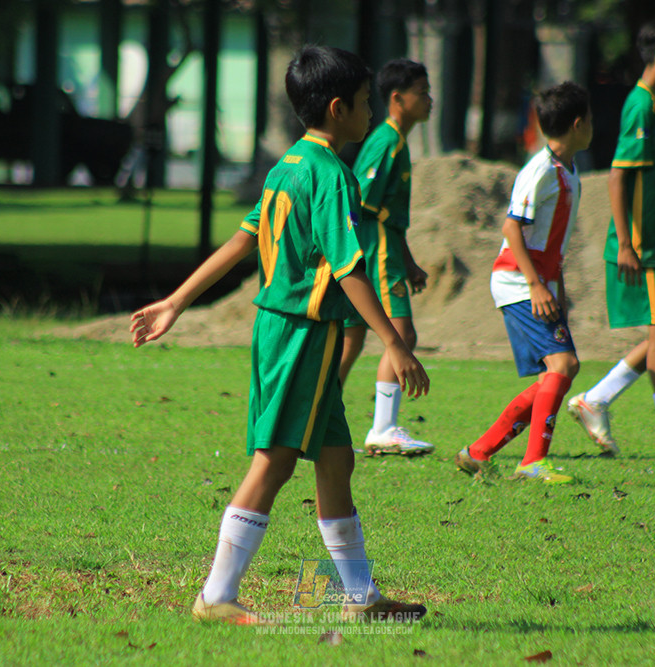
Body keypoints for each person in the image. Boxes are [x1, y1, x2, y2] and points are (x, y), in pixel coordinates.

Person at [130, 45, 430, 626]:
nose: (370, 113)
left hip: (285, 330)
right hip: (302, 334)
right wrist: (394, 342)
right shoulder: (331, 174)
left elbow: (242, 241)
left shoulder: (287, 164)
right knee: (275, 462)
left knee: (336, 461)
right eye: (364, 103)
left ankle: (360, 596)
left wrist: (176, 301)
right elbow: (349, 268)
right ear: (339, 109)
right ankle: (216, 597)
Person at [566, 16, 655, 460]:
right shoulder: (641, 106)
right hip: (645, 245)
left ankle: (597, 398)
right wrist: (627, 244)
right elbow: (618, 176)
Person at [455, 81, 593, 484]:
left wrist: (556, 289)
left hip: (535, 281)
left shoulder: (568, 171)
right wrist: (535, 285)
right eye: (591, 120)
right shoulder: (540, 170)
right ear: (579, 124)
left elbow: (551, 239)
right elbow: (512, 227)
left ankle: (478, 453)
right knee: (563, 365)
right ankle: (533, 462)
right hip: (518, 281)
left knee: (555, 374)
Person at [338, 59, 435, 456]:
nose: (429, 100)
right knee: (401, 334)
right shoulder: (387, 141)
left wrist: (407, 260)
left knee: (351, 340)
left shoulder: (396, 141)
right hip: (376, 248)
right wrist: (366, 253)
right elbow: (361, 202)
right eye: (422, 92)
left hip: (382, 246)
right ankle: (383, 428)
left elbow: (388, 215)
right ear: (398, 98)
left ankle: (314, 414)